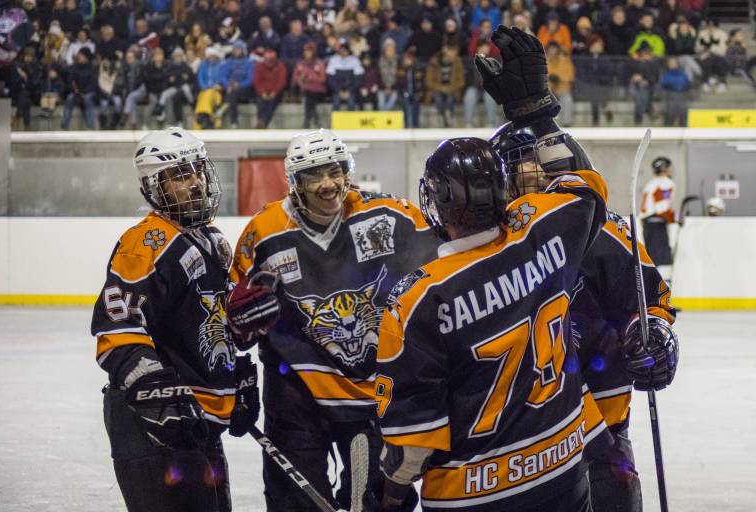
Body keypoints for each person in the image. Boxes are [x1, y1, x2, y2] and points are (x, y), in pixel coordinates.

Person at [368, 26, 615, 512]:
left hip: (473, 493)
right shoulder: (547, 227)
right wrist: (538, 114)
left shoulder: (419, 300)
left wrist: (390, 494)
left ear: (437, 203)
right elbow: (583, 184)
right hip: (564, 470)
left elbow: (413, 444)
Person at [229, 128, 440, 511]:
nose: (328, 184)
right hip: (295, 390)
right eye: (314, 175)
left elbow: (446, 269)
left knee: (378, 502)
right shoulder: (264, 231)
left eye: (335, 170)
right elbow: (234, 315)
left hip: (371, 393)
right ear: (295, 183)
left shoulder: (390, 215)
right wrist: (239, 348)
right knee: (293, 502)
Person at [492, 124, 679, 512]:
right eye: (528, 160)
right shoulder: (490, 243)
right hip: (520, 438)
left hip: (601, 425)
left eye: (545, 160)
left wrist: (652, 336)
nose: (539, 170)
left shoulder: (602, 228)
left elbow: (650, 299)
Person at [91, 127, 260, 512]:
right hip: (152, 427)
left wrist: (235, 377)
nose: (197, 182)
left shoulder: (212, 240)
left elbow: (209, 323)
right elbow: (116, 330)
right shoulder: (146, 242)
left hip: (197, 424)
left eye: (198, 169)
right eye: (182, 174)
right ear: (155, 185)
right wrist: (156, 392)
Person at [640, 156, 676, 269]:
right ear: (665, 169)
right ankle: (662, 285)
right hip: (657, 226)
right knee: (662, 262)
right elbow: (662, 208)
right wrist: (675, 218)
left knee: (651, 260)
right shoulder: (666, 183)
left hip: (647, 225)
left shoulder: (650, 184)